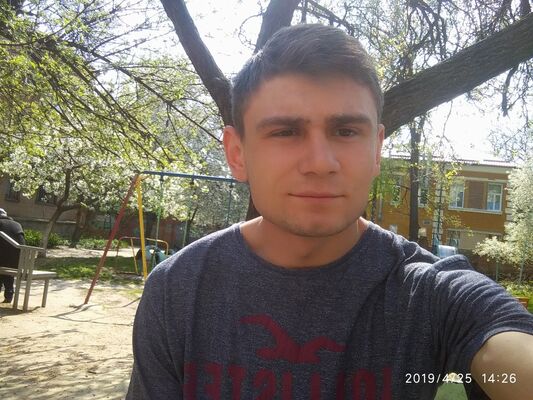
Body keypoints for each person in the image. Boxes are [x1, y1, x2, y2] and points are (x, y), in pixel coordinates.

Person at [127, 24, 533, 399]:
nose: (321, 163)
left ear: (376, 150)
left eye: (346, 131)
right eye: (285, 132)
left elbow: (509, 355)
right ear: (237, 154)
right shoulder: (177, 289)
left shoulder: (428, 295)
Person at [0, 207, 26, 303]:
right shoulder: (17, 224)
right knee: (7, 270)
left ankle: (8, 293)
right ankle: (9, 294)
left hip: (3, 260)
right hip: (18, 262)